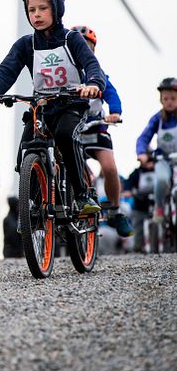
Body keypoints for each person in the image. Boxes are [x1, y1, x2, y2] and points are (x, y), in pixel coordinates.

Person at [0, 0, 105, 214]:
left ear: (56, 8)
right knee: (27, 146)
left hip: (72, 104)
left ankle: (81, 195)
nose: (36, 14)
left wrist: (94, 83)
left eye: (43, 8)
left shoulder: (72, 39)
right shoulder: (26, 44)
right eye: (31, 9)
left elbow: (91, 64)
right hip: (42, 105)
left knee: (66, 136)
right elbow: (7, 69)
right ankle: (33, 203)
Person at [71, 25, 133, 237]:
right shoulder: (64, 75)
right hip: (73, 130)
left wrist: (114, 112)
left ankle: (115, 210)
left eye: (87, 48)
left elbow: (112, 95)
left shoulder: (97, 74)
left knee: (109, 168)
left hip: (96, 127)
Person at [135, 77, 177, 224]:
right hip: (163, 160)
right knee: (162, 180)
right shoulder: (157, 119)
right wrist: (141, 153)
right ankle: (159, 207)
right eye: (166, 98)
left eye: (173, 98)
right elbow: (143, 138)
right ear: (161, 100)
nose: (169, 101)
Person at [123, 151, 156, 252]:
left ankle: (156, 247)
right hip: (139, 205)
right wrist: (128, 190)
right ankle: (137, 248)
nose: (150, 164)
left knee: (157, 225)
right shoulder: (137, 172)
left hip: (155, 205)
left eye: (151, 161)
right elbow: (128, 182)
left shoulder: (158, 171)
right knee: (138, 227)